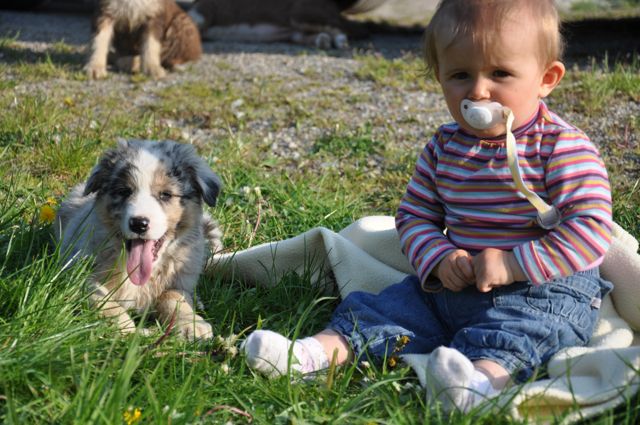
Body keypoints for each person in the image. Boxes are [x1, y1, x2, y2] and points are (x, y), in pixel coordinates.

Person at [241, 0, 614, 412]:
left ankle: (476, 384)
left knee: (521, 334)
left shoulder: (560, 147)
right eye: (460, 75)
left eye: (500, 74)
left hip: (542, 287)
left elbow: (591, 229)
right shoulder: (444, 146)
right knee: (387, 309)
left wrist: (514, 264)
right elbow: (415, 216)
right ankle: (311, 354)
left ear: (546, 78)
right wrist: (438, 257)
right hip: (454, 283)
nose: (478, 91)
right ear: (439, 77)